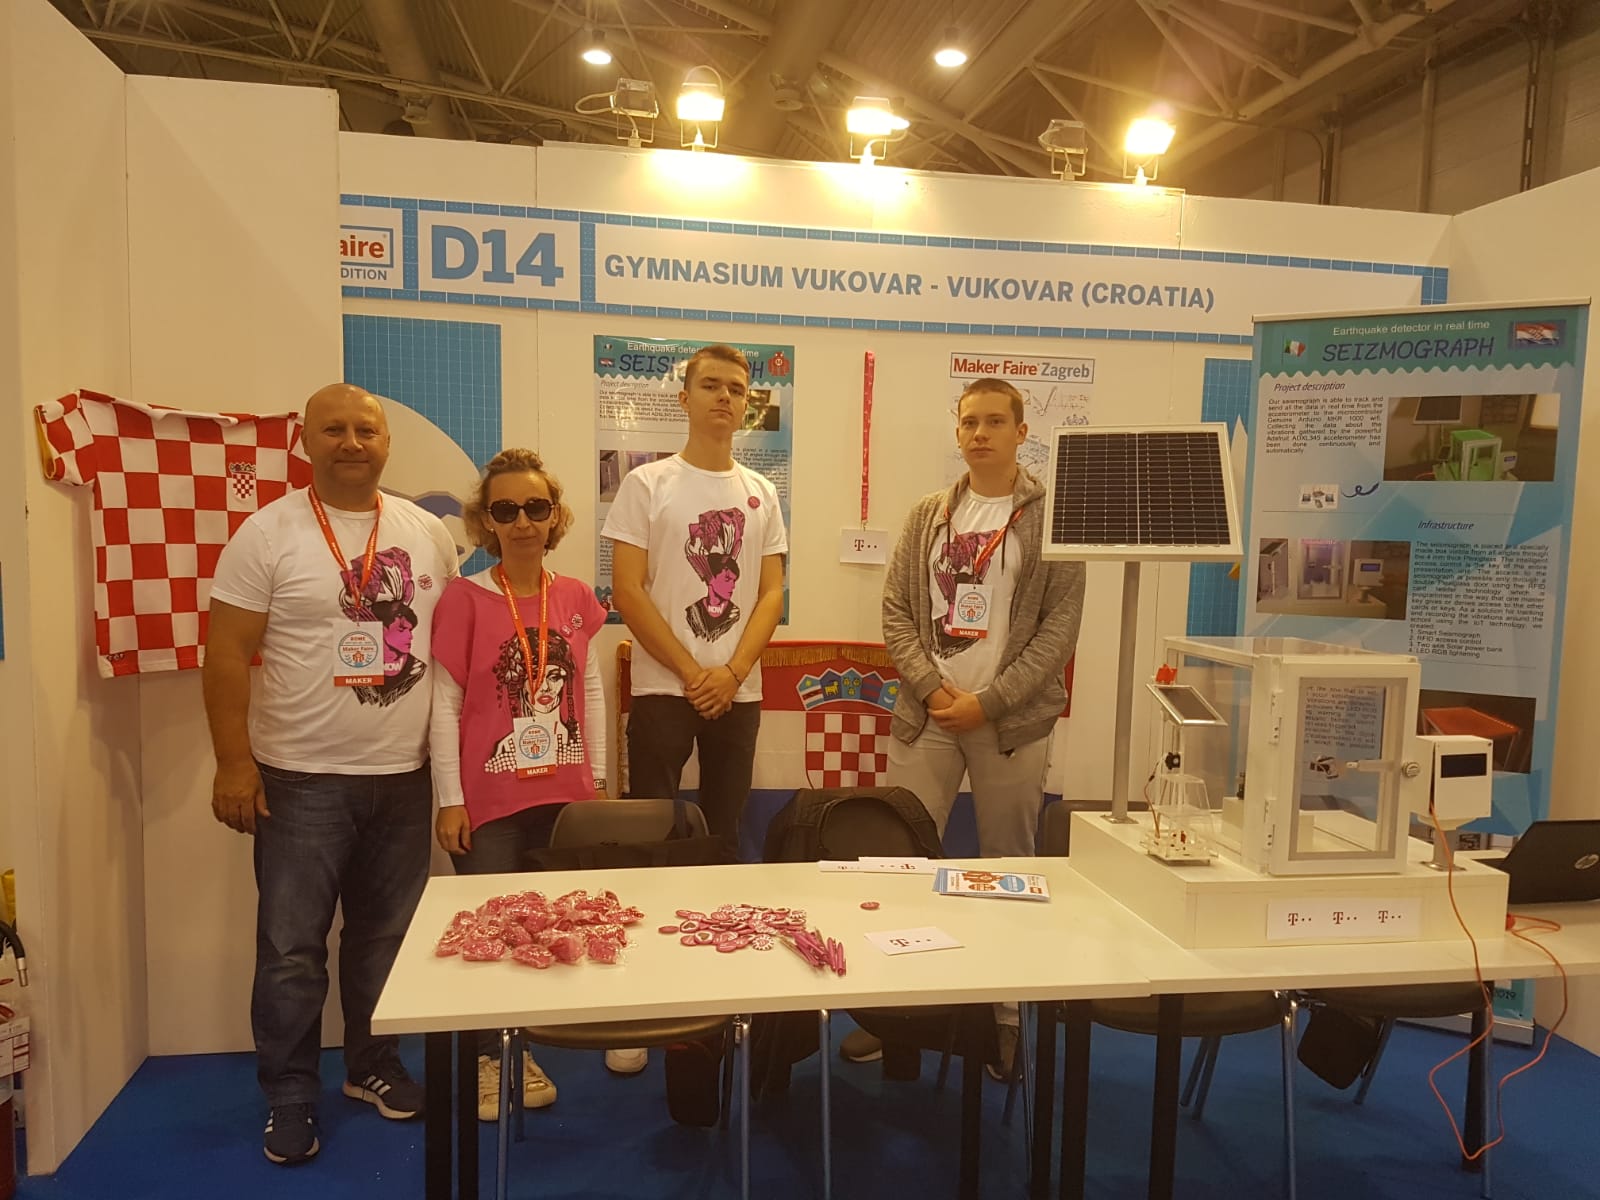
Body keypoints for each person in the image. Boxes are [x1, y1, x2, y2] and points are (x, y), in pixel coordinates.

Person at [203, 383, 458, 1165]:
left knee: (385, 938)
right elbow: (225, 654)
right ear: (306, 442)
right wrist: (234, 764)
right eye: (334, 430)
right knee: (291, 949)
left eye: (366, 430)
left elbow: (451, 655)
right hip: (301, 779)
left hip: (404, 776)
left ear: (386, 442)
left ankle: (372, 1066)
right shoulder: (266, 533)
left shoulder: (426, 533)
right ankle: (289, 1094)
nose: (352, 442)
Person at [851, 376, 1086, 1074]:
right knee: (902, 864)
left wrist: (990, 702)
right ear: (957, 433)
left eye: (994, 422)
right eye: (969, 422)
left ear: (1021, 432)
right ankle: (898, 1013)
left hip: (1009, 723)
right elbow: (896, 612)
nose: (980, 433)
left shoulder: (1051, 519)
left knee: (1007, 870)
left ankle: (1004, 1018)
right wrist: (931, 688)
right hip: (929, 716)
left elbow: (1059, 629)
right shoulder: (928, 515)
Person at [427, 449, 640, 1120]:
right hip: (490, 801)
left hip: (567, 799)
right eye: (506, 509)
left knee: (576, 920)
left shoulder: (574, 597)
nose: (522, 521)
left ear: (554, 517)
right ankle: (493, 1057)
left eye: (536, 508)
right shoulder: (463, 599)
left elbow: (593, 691)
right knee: (494, 931)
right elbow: (445, 705)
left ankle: (600, 1023)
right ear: (486, 522)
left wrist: (598, 780)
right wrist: (450, 800)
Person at [601, 344, 787, 847]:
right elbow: (627, 591)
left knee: (724, 832)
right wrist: (691, 672)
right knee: (650, 831)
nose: (724, 396)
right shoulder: (646, 483)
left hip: (737, 690)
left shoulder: (763, 492)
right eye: (711, 385)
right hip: (664, 687)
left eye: (736, 390)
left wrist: (732, 674)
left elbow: (772, 593)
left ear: (746, 406)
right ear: (684, 399)